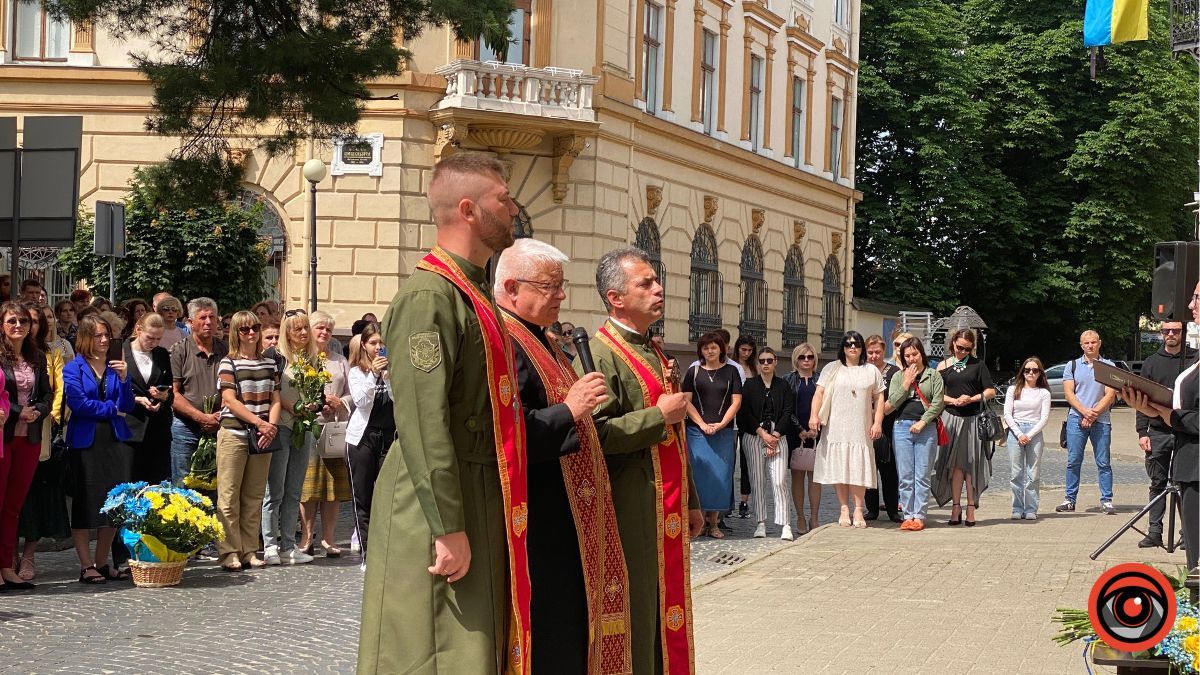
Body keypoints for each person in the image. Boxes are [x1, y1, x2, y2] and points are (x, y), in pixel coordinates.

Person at [357, 153, 527, 674]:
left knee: (473, 649)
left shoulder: (471, 291)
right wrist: (448, 525)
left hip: (475, 488)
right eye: (504, 198)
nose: (515, 207)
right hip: (432, 502)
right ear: (470, 209)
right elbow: (423, 420)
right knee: (432, 649)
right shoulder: (429, 296)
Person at [494, 238, 633, 673]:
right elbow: (509, 434)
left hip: (572, 516)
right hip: (541, 518)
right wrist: (569, 410)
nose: (560, 295)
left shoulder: (545, 339)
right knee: (552, 633)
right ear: (512, 287)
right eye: (549, 286)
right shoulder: (506, 342)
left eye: (561, 285)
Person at [585, 246, 702, 674]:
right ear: (615, 297)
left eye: (657, 281)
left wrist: (691, 498)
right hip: (630, 503)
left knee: (662, 604)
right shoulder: (599, 354)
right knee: (638, 609)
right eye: (645, 283)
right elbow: (595, 433)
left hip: (667, 502)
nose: (659, 289)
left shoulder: (651, 348)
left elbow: (676, 435)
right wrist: (659, 415)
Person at [1122, 281, 1200, 571]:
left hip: (1196, 463)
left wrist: (1173, 416)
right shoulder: (1158, 361)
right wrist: (1148, 410)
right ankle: (1156, 531)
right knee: (1195, 561)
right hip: (1186, 462)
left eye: (1196, 298)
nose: (1191, 305)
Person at [63, 314, 135, 585]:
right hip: (86, 442)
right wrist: (110, 410)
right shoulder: (74, 368)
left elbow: (127, 405)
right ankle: (85, 564)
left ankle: (102, 561)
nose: (105, 340)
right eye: (98, 336)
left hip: (115, 441)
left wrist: (126, 380)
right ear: (85, 338)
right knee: (85, 502)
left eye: (107, 335)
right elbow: (79, 403)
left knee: (113, 503)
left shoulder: (117, 366)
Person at [215, 311, 281, 571]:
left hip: (263, 436)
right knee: (229, 496)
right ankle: (229, 550)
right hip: (235, 433)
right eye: (245, 329)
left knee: (254, 496)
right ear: (237, 333)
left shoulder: (269, 364)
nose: (251, 333)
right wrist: (259, 423)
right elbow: (230, 400)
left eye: (255, 327)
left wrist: (271, 426)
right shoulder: (228, 363)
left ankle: (250, 550)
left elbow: (275, 398)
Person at [16, 303, 71, 582]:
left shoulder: (49, 353)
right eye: (27, 320)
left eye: (35, 321)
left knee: (37, 495)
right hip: (11, 430)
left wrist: (50, 413)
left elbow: (58, 388)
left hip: (42, 431)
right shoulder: (6, 354)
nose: (30, 326)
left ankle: (29, 554)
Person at [809, 331, 885, 529]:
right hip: (836, 425)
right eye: (849, 344)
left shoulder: (871, 370)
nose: (853, 347)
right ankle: (844, 508)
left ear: (862, 348)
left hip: (860, 425)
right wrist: (813, 416)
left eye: (857, 344)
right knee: (840, 466)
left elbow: (879, 397)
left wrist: (877, 423)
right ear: (843, 347)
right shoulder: (832, 368)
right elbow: (819, 393)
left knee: (858, 466)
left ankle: (859, 508)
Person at [262, 309, 317, 566]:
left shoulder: (312, 358)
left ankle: (288, 544)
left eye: (305, 327)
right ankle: (270, 545)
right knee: (275, 489)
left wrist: (316, 405)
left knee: (294, 489)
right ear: (287, 332)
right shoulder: (276, 357)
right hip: (282, 426)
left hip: (302, 428)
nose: (303, 333)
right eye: (297, 328)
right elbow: (272, 392)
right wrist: (292, 407)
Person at [1135, 320, 1196, 547]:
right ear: (1161, 333)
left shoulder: (1194, 360)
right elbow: (1142, 400)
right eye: (1166, 331)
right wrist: (1143, 432)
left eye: (1175, 330)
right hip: (1158, 432)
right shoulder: (1152, 363)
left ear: (1183, 332)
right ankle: (1154, 532)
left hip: (1186, 431)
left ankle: (1186, 534)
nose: (1170, 334)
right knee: (1157, 483)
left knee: (1185, 485)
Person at [298, 310, 353, 557]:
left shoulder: (340, 360)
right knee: (308, 487)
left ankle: (329, 539)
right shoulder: (301, 359)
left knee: (333, 488)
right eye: (319, 328)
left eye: (328, 329)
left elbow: (353, 392)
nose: (324, 333)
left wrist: (340, 402)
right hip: (309, 426)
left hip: (334, 429)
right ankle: (306, 538)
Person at [0, 301, 45, 590]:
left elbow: (47, 393)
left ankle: (6, 565)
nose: (19, 326)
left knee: (14, 507)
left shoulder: (36, 355)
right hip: (3, 437)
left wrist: (37, 410)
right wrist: (18, 411)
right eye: (12, 321)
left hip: (28, 439)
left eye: (24, 322)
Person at [682, 331, 743, 539]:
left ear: (721, 349)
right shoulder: (694, 372)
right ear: (701, 350)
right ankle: (698, 522)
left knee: (720, 476)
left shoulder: (732, 372)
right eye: (706, 347)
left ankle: (714, 523)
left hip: (723, 431)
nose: (710, 350)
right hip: (696, 432)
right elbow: (686, 401)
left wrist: (720, 424)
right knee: (698, 476)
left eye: (714, 347)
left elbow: (736, 402)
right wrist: (701, 424)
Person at [933, 328, 996, 526]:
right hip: (950, 418)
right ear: (952, 343)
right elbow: (935, 394)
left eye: (967, 349)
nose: (962, 352)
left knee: (971, 465)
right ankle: (955, 508)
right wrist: (953, 400)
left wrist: (971, 398)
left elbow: (990, 391)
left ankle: (971, 508)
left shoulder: (978, 365)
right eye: (959, 347)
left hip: (973, 419)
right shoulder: (943, 366)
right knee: (954, 465)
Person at [884, 337, 944, 530]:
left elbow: (938, 403)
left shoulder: (933, 375)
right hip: (901, 426)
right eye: (907, 355)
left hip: (925, 427)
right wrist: (906, 383)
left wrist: (923, 422)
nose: (911, 358)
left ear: (921, 354)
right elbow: (891, 404)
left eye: (915, 354)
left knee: (923, 474)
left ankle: (919, 515)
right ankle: (907, 515)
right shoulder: (897, 377)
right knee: (906, 474)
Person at [1054, 330, 1117, 515]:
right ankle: (1069, 499)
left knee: (1104, 462)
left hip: (1101, 420)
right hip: (1076, 419)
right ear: (1081, 345)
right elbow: (1069, 393)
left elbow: (1110, 394)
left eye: (1093, 342)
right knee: (1073, 461)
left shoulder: (1108, 366)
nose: (1090, 345)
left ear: (1099, 343)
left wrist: (1094, 413)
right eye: (1086, 343)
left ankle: (1106, 500)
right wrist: (1084, 412)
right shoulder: (1072, 366)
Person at [345, 325, 393, 562]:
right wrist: (374, 375)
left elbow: (398, 400)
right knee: (362, 496)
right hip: (363, 438)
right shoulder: (357, 371)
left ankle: (385, 553)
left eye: (381, 343)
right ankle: (367, 553)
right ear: (364, 345)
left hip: (389, 437)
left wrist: (388, 377)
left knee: (387, 496)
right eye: (373, 343)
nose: (378, 347)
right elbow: (361, 402)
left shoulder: (393, 369)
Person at [737, 346, 795, 539]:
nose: (766, 364)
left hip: (779, 438)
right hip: (754, 437)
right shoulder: (750, 385)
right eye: (762, 361)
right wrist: (762, 434)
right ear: (758, 363)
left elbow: (788, 411)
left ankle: (785, 523)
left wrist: (776, 435)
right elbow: (745, 413)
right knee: (757, 481)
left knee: (779, 480)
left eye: (769, 360)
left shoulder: (783, 385)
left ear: (775, 361)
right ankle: (760, 522)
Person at [168, 298, 226, 483]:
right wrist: (201, 418)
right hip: (186, 428)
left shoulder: (226, 350)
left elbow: (233, 389)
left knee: (216, 485)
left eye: (212, 317)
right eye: (202, 317)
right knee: (182, 485)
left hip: (220, 426)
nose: (208, 322)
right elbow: (173, 394)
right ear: (191, 323)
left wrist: (218, 417)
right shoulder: (179, 351)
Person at [123, 313, 174, 484]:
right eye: (150, 338)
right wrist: (135, 399)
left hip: (158, 430)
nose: (154, 343)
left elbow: (170, 391)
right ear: (138, 330)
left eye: (159, 339)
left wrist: (164, 397)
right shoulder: (121, 353)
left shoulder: (161, 354)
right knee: (130, 485)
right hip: (130, 429)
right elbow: (109, 390)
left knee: (157, 486)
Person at [1003, 357, 1051, 520]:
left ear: (1040, 373)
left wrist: (1029, 435)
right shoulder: (1013, 389)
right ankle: (1017, 508)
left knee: (1033, 472)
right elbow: (1007, 414)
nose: (1031, 373)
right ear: (1022, 372)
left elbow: (1044, 418)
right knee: (1016, 473)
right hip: (1015, 430)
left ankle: (1031, 508)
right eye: (1027, 370)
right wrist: (1018, 433)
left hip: (1034, 431)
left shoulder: (1043, 392)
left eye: (1035, 370)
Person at [784, 343, 821, 533]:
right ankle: (799, 517)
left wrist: (817, 426)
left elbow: (827, 404)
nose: (806, 360)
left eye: (810, 357)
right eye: (802, 357)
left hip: (818, 432)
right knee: (797, 475)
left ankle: (814, 518)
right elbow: (786, 408)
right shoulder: (788, 380)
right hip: (794, 432)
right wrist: (799, 429)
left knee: (816, 476)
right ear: (796, 359)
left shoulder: (821, 379)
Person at [865, 334, 901, 522]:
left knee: (889, 471)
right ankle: (871, 509)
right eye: (870, 352)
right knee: (868, 469)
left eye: (877, 352)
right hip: (864, 427)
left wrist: (877, 412)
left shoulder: (893, 371)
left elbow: (894, 399)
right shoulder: (861, 371)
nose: (873, 356)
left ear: (883, 351)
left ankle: (892, 509)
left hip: (887, 426)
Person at [731, 334, 757, 519]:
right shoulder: (731, 367)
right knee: (730, 461)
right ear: (737, 349)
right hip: (733, 417)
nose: (747, 353)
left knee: (747, 462)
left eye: (749, 350)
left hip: (750, 418)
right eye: (743, 350)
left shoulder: (754, 369)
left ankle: (744, 501)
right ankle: (726, 502)